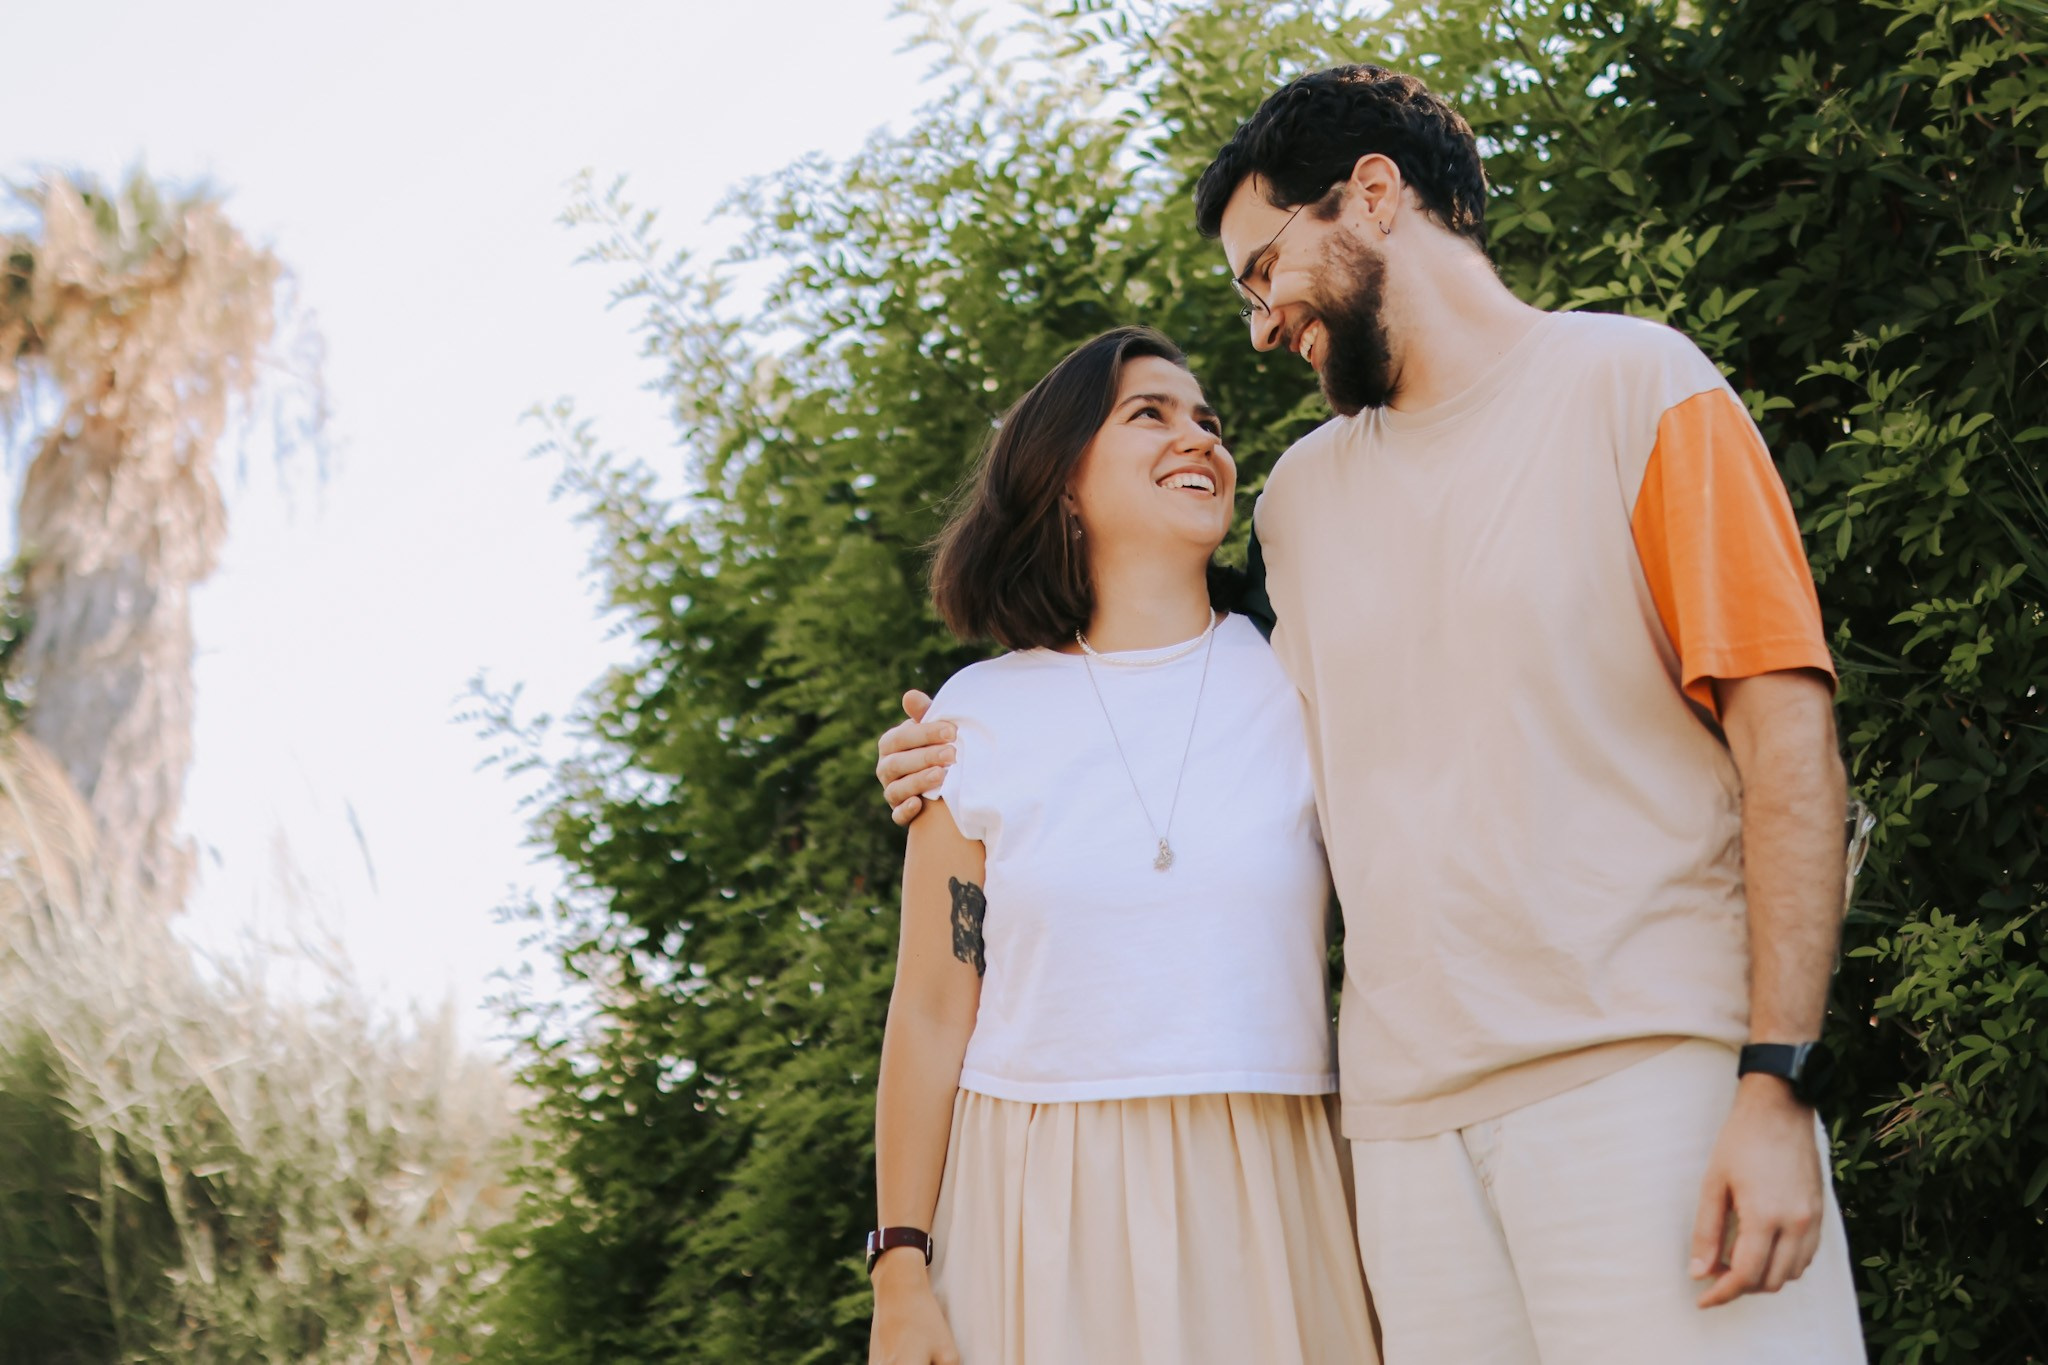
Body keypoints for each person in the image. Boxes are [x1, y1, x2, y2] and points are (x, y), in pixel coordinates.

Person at [877, 65, 1867, 1364]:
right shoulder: (1298, 503)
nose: (1259, 322)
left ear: (1375, 198)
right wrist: (959, 754)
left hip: (1641, 1083)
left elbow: (1785, 736)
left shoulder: (1639, 385)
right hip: (1404, 1152)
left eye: (1262, 268)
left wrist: (1776, 1074)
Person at [866, 326, 1377, 1365]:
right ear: (1059, 480)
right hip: (1038, 1200)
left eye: (1207, 421)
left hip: (1273, 1180)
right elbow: (929, 1008)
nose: (1196, 437)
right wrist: (899, 1268)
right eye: (1149, 413)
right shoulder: (973, 722)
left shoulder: (1301, 677)